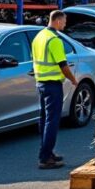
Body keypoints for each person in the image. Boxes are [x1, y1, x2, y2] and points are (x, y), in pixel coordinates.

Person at [31, 10, 78, 169]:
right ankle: (45, 158)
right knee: (52, 121)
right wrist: (73, 79)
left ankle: (46, 152)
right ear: (57, 21)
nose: (65, 24)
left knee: (44, 119)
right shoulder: (54, 40)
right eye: (64, 21)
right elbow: (62, 65)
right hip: (52, 85)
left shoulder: (39, 36)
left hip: (41, 83)